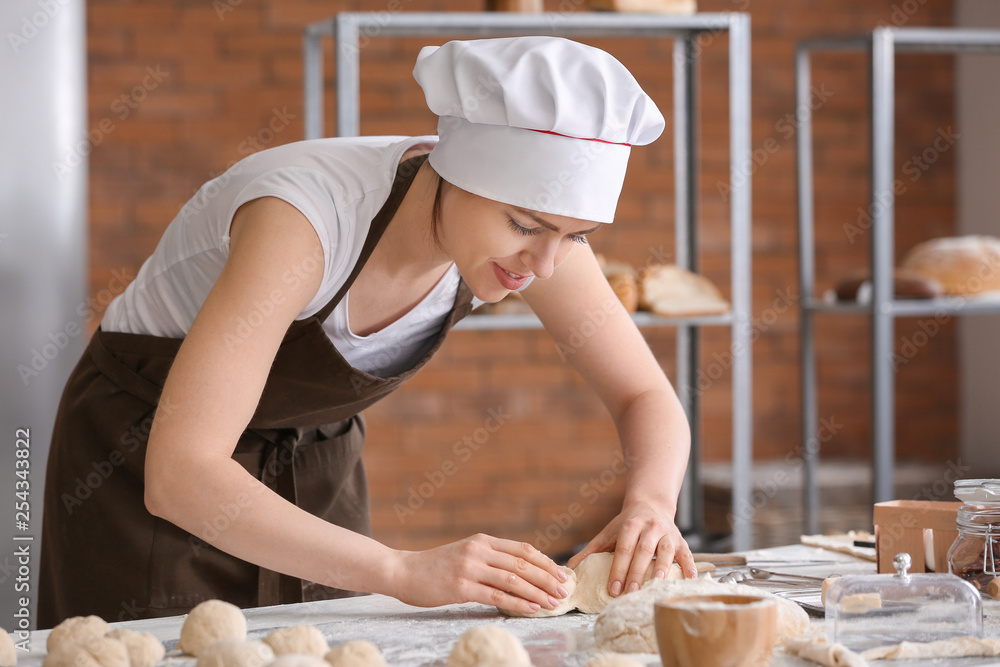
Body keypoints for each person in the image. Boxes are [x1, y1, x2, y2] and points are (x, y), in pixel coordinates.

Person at [38, 35, 695, 627]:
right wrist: (402, 572)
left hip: (314, 464)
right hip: (142, 458)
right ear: (454, 169)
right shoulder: (301, 221)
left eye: (575, 235)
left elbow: (646, 396)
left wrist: (651, 504)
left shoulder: (536, 241)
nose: (547, 264)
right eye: (525, 226)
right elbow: (181, 472)